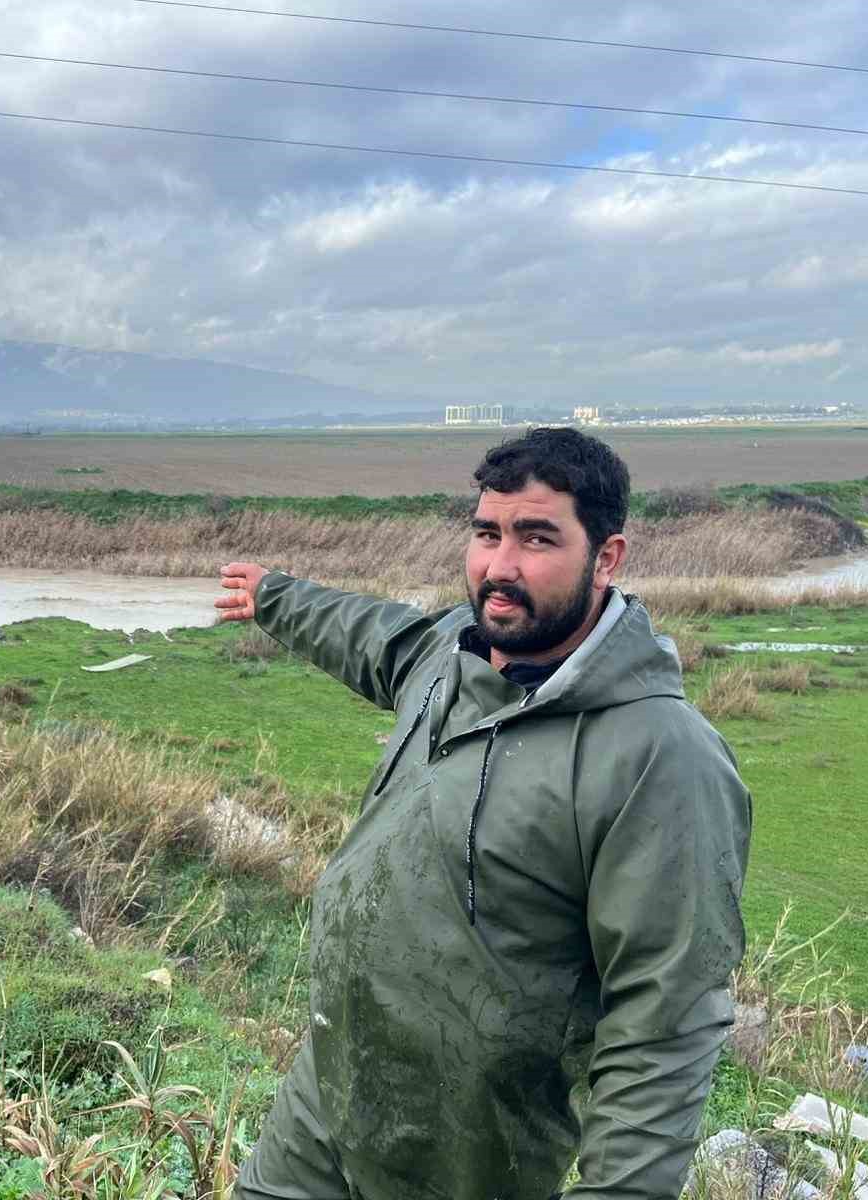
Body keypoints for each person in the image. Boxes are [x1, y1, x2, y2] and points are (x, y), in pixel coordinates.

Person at [217, 427, 752, 1200]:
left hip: (468, 1155)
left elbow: (665, 1019)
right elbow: (370, 637)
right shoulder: (447, 656)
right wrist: (274, 596)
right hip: (329, 1098)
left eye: (537, 538)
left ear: (607, 557)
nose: (500, 566)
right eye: (486, 533)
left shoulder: (660, 755)